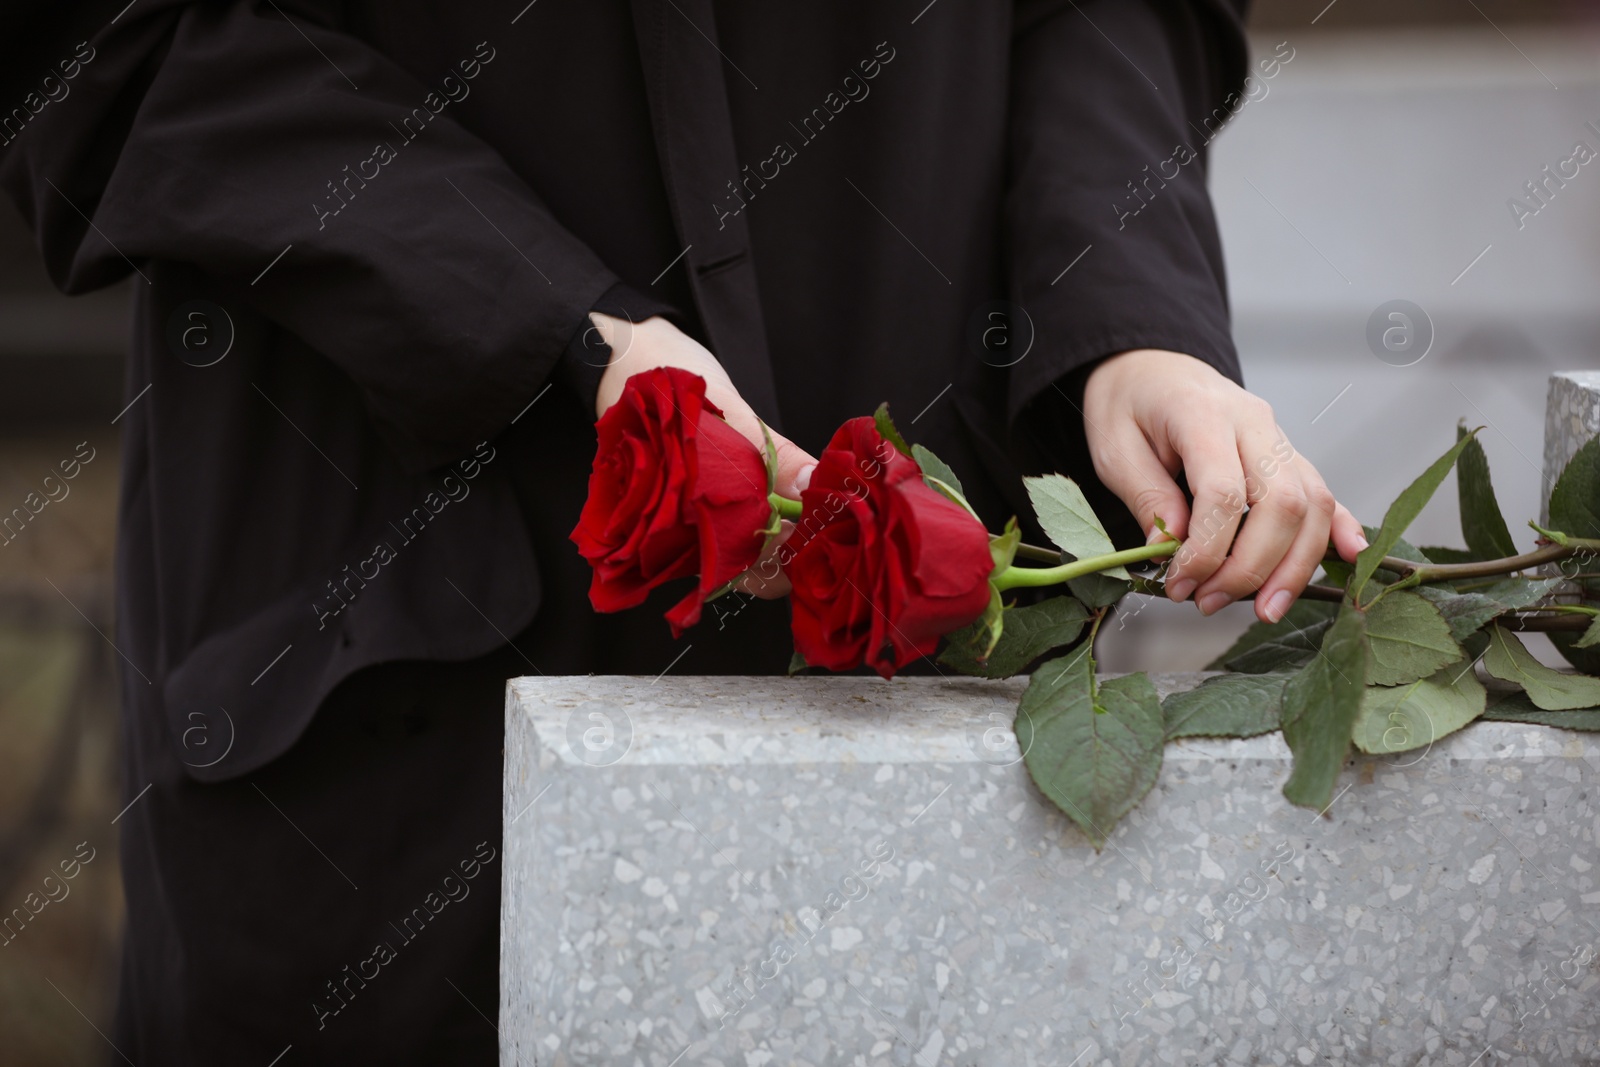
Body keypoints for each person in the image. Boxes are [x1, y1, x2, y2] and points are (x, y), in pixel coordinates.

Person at [0, 0, 1363, 1061]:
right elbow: (115, 45)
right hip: (386, 681)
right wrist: (551, 323)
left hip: (922, 705)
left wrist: (1128, 322)